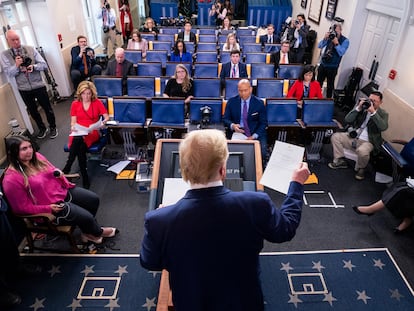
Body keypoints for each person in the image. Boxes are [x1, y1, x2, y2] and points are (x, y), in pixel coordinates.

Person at [140, 129, 310, 310]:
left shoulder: (158, 220)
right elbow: (285, 229)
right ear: (223, 170)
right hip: (244, 303)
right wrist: (296, 185)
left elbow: (150, 261)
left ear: (184, 169)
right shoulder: (255, 204)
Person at [3, 135, 118, 244]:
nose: (30, 151)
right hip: (50, 208)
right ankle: (97, 232)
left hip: (61, 191)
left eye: (29, 146)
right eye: (24, 149)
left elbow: (53, 170)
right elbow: (20, 209)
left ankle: (88, 232)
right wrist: (48, 208)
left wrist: (60, 175)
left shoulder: (37, 157)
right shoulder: (11, 179)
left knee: (93, 200)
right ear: (12, 152)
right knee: (87, 217)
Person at [0, 30, 58, 140]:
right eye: (13, 40)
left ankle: (53, 127)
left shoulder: (30, 49)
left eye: (18, 39)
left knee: (47, 108)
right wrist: (16, 66)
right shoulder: (4, 55)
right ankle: (42, 128)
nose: (17, 42)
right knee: (32, 111)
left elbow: (44, 65)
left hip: (38, 85)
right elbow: (9, 73)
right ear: (8, 41)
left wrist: (34, 67)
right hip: (23, 88)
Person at [328, 91, 388, 180]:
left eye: (374, 101)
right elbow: (347, 119)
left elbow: (383, 127)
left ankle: (361, 168)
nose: (371, 102)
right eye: (370, 100)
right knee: (335, 137)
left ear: (380, 102)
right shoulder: (363, 108)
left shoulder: (383, 114)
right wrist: (358, 108)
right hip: (354, 136)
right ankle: (340, 160)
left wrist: (373, 113)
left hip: (368, 141)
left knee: (363, 151)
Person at [62, 81, 109, 189]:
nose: (86, 96)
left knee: (78, 141)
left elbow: (106, 117)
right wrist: (73, 126)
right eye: (84, 93)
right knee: (80, 144)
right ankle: (84, 174)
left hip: (92, 131)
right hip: (78, 131)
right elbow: (73, 121)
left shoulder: (97, 102)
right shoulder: (75, 104)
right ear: (80, 93)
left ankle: (67, 167)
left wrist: (101, 123)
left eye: (88, 93)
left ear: (92, 93)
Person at [223, 79, 268, 161]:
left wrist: (254, 136)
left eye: (245, 90)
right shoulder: (231, 102)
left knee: (262, 153)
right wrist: (233, 126)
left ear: (250, 89)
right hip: (237, 132)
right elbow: (225, 119)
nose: (243, 93)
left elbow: (263, 123)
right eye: (240, 91)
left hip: (255, 132)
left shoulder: (259, 103)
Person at [317, 23, 349, 98]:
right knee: (318, 83)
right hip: (323, 64)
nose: (334, 33)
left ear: (341, 30)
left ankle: (328, 101)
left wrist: (337, 43)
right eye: (333, 31)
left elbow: (341, 52)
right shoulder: (329, 37)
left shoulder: (345, 40)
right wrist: (325, 38)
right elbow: (319, 46)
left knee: (330, 86)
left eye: (336, 31)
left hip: (333, 67)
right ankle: (316, 98)